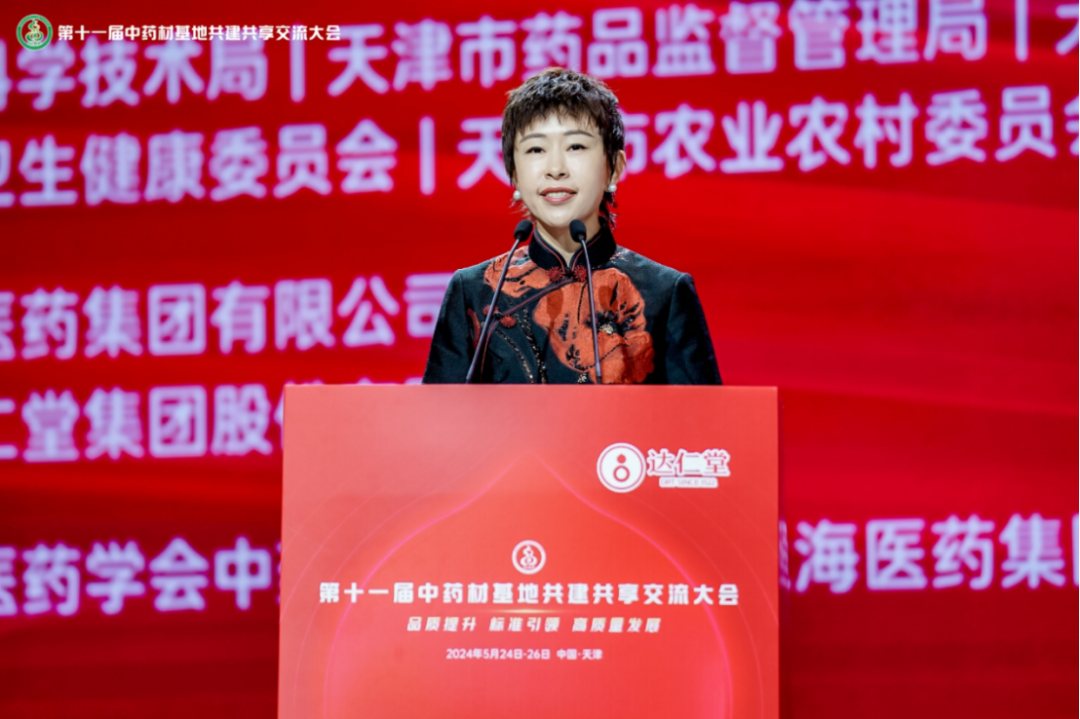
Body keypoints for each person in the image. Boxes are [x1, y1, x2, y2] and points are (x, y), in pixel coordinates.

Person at [422, 68, 721, 385]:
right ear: (514, 174)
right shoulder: (473, 291)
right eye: (536, 149)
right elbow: (438, 414)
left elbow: (700, 415)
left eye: (576, 147)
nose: (555, 169)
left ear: (613, 168)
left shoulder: (664, 292)